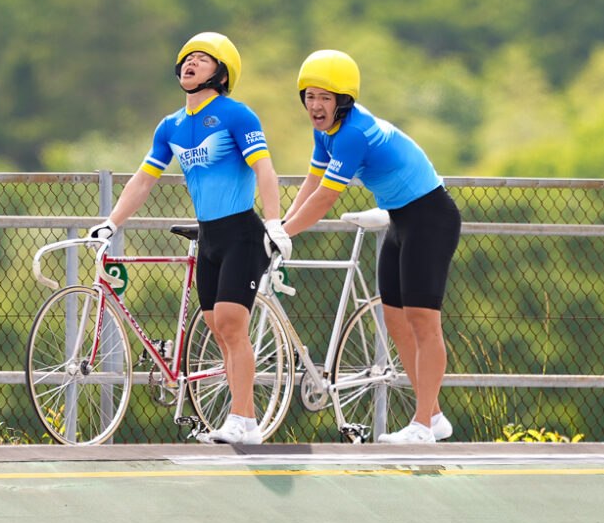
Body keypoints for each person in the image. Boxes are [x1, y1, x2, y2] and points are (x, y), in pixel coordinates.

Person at [89, 32, 291, 445]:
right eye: (187, 58)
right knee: (218, 329)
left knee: (232, 324)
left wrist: (274, 223)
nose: (190, 63)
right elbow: (144, 180)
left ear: (221, 74)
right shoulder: (171, 126)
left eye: (202, 58)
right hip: (208, 237)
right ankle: (244, 422)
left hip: (242, 233)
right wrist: (111, 223)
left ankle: (242, 420)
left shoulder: (236, 116)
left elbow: (264, 170)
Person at [280, 49, 461, 443]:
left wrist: (286, 233)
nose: (315, 106)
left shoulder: (352, 133)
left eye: (324, 98)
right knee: (394, 319)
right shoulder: (325, 132)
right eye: (309, 97)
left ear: (343, 101)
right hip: (399, 218)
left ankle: (422, 426)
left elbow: (327, 198)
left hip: (430, 217)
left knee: (423, 321)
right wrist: (280, 226)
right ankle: (433, 416)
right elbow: (312, 182)